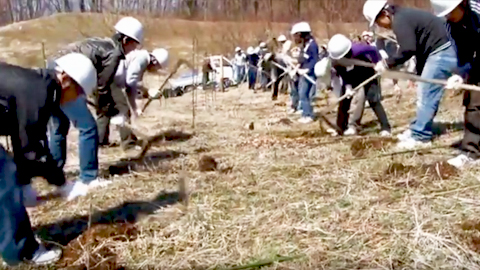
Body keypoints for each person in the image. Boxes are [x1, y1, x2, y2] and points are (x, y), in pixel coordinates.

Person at [0, 53, 97, 266]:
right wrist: (62, 183)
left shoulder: (39, 86)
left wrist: (25, 181)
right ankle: (22, 252)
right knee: (4, 176)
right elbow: (31, 149)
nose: (77, 98)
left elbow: (23, 138)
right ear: (66, 79)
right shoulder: (37, 91)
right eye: (79, 91)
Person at [363, 0, 458, 149]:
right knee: (423, 92)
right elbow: (420, 46)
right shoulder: (403, 17)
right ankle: (418, 127)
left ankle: (421, 136)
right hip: (435, 51)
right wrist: (419, 73)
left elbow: (408, 49)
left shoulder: (400, 21)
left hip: (442, 51)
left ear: (385, 14)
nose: (380, 26)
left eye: (378, 22)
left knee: (427, 92)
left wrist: (388, 63)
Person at [51, 16, 144, 151]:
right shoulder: (114, 53)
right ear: (125, 40)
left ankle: (54, 170)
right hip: (67, 77)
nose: (134, 49)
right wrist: (109, 109)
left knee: (59, 125)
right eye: (134, 44)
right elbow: (103, 86)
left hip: (53, 69)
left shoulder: (103, 43)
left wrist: (106, 106)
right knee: (87, 127)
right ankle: (89, 171)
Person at [431, 0, 480, 168]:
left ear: (463, 4)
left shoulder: (477, 12)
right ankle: (471, 151)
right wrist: (459, 74)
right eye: (445, 14)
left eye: (451, 12)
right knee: (473, 103)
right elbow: (463, 53)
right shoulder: (451, 26)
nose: (448, 17)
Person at [326, 34, 392, 136]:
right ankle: (340, 128)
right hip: (350, 75)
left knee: (373, 100)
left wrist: (378, 63)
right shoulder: (335, 60)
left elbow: (373, 50)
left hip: (367, 72)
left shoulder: (358, 49)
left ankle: (385, 127)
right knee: (344, 101)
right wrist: (347, 86)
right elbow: (342, 72)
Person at [113, 48, 169, 120]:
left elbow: (134, 85)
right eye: (157, 68)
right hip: (111, 81)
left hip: (112, 80)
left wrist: (146, 91)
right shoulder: (142, 60)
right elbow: (130, 85)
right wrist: (135, 109)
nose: (155, 70)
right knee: (122, 111)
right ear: (154, 62)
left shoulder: (142, 58)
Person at [291, 21, 319, 124]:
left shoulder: (312, 45)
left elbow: (315, 60)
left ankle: (308, 115)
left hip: (309, 74)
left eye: (296, 35)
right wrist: (295, 69)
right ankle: (305, 113)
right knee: (302, 93)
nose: (295, 38)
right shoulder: (305, 45)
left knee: (304, 94)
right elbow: (303, 59)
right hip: (303, 73)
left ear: (301, 34)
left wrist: (306, 70)